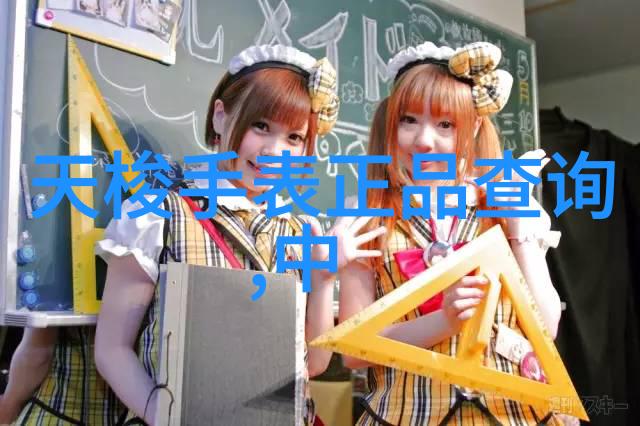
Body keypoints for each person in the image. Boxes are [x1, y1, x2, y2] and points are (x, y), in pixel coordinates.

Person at [93, 44, 382, 425]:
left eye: (294, 138)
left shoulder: (297, 232)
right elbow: (112, 349)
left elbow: (313, 364)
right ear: (220, 115)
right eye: (260, 126)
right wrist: (163, 415)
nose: (274, 151)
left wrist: (325, 277)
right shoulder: (159, 213)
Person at [337, 41, 566, 425]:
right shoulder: (367, 217)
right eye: (409, 120)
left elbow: (546, 326)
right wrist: (442, 322)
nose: (424, 141)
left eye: (445, 124)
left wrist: (518, 225)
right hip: (407, 415)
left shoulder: (505, 202)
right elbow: (352, 350)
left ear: (473, 126)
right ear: (390, 123)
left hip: (511, 413)